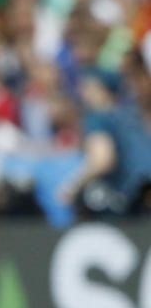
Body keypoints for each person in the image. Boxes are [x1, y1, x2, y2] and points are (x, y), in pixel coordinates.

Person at [58, 70, 151, 218]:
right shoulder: (132, 115)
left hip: (133, 198)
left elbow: (102, 159)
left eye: (88, 87)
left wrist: (71, 187)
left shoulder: (97, 118)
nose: (83, 93)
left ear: (102, 90)